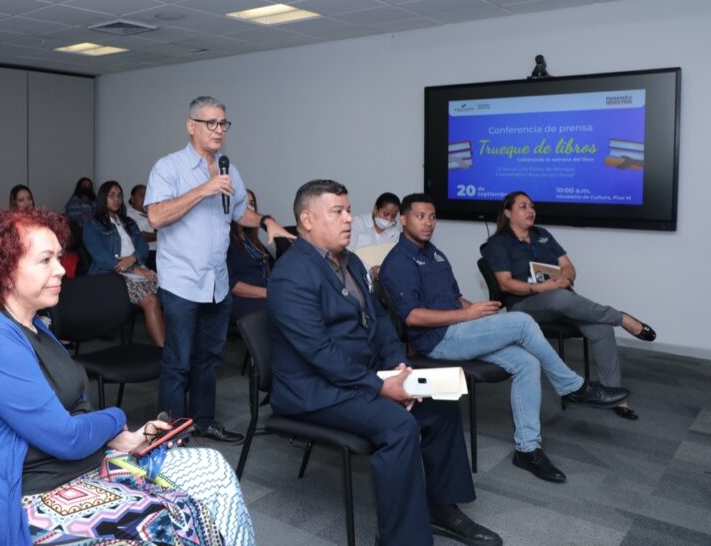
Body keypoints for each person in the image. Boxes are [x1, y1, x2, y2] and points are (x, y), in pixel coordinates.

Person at [0, 207, 255, 545]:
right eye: (45, 260)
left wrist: (117, 437)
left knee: (212, 469)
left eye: (59, 258)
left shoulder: (35, 324)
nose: (61, 270)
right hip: (28, 494)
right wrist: (117, 420)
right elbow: (64, 436)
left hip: (81, 463)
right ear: (5, 271)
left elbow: (74, 405)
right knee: (164, 522)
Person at [268, 180, 501, 546]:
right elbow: (318, 352)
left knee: (439, 406)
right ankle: (400, 538)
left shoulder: (353, 261)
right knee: (398, 426)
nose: (349, 219)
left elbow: (378, 322)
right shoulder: (290, 275)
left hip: (360, 376)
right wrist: (381, 386)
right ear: (307, 220)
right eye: (338, 212)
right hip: (314, 390)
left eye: (348, 210)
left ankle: (441, 508)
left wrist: (398, 368)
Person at [380, 194, 629, 483]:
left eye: (432, 216)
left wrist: (478, 310)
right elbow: (412, 317)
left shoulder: (434, 253)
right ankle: (573, 386)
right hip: (437, 340)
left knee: (526, 362)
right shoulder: (399, 261)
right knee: (522, 322)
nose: (428, 223)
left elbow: (454, 298)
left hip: (460, 330)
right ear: (404, 219)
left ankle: (527, 449)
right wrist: (468, 315)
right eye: (420, 216)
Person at [145, 96, 293, 443]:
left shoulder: (230, 169)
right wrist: (203, 189)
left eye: (223, 123)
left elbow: (241, 213)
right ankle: (171, 433)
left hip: (217, 282)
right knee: (178, 360)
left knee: (209, 358)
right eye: (210, 123)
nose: (218, 130)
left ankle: (202, 420)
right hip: (182, 280)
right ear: (191, 126)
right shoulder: (168, 168)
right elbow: (156, 216)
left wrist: (268, 220)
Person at [482, 191, 656, 420]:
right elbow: (505, 284)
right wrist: (541, 289)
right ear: (507, 212)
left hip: (560, 303)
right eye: (523, 206)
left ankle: (614, 395)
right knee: (560, 298)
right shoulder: (498, 243)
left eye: (532, 206)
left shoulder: (542, 234)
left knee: (600, 327)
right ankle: (621, 318)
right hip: (524, 306)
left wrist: (566, 279)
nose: (530, 210)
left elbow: (568, 266)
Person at [83, 181, 164, 346]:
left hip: (136, 269)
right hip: (110, 276)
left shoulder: (128, 222)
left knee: (171, 298)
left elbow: (143, 247)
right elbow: (102, 258)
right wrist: (133, 268)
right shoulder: (92, 225)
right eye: (111, 195)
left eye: (119, 195)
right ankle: (164, 352)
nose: (116, 199)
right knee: (151, 301)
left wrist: (133, 258)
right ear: (102, 198)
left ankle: (174, 347)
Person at [227, 189, 274, 323]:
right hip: (241, 300)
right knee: (284, 307)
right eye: (242, 204)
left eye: (251, 204)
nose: (248, 209)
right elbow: (232, 286)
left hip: (264, 295)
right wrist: (269, 293)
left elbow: (275, 269)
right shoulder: (224, 242)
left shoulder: (252, 241)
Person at [126, 184, 157, 266]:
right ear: (132, 198)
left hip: (160, 251)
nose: (145, 198)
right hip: (146, 254)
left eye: (147, 195)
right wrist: (161, 235)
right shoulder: (128, 215)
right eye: (141, 195)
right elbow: (139, 236)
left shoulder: (151, 213)